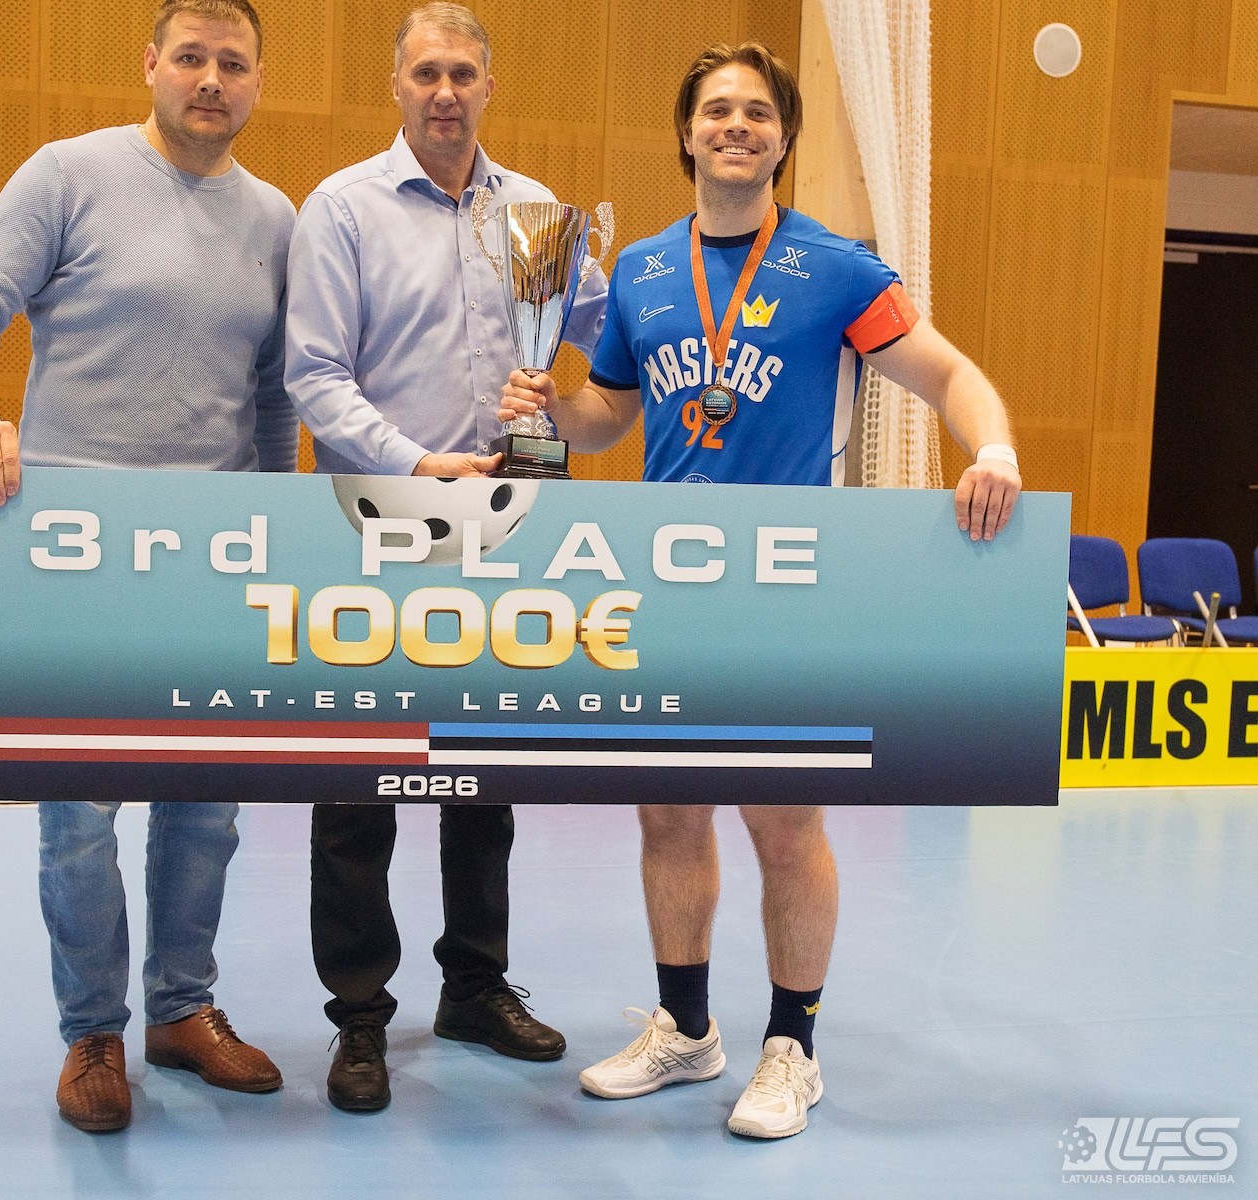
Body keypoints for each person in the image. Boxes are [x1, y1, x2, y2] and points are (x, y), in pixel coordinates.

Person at [500, 42, 1021, 1140]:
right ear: (686, 134)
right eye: (716, 110)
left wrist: (996, 452)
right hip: (665, 584)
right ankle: (686, 1029)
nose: (735, 125)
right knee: (668, 811)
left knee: (784, 822)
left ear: (782, 138)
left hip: (788, 586)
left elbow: (950, 374)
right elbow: (609, 416)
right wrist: (548, 408)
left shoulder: (839, 269)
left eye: (756, 112)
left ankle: (794, 1046)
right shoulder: (642, 270)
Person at [0, 0, 292, 1133]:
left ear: (256, 82)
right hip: (76, 558)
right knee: (79, 812)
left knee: (206, 810)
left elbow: (273, 397)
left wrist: (279, 525)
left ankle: (182, 1011)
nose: (211, 79)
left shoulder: (276, 218)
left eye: (233, 63)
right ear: (152, 65)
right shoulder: (65, 175)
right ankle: (93, 1033)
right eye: (192, 57)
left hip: (217, 559)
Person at [283, 1, 607, 1113]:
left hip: (507, 521)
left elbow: (603, 340)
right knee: (358, 785)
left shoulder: (540, 217)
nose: (445, 92)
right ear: (398, 85)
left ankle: (474, 985)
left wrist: (591, 385)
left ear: (489, 86)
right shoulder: (342, 209)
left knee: (486, 774)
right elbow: (315, 374)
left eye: (463, 72)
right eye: (426, 72)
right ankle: (359, 1018)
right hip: (375, 518)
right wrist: (418, 463)